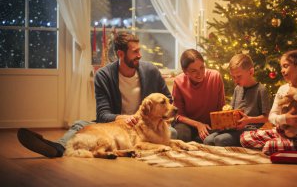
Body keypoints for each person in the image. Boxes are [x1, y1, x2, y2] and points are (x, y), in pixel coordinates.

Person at [17, 31, 177, 158]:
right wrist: (122, 118)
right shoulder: (103, 75)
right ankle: (56, 148)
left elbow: (167, 99)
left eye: (139, 50)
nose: (139, 55)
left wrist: (162, 117)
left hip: (144, 125)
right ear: (121, 54)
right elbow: (102, 114)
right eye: (135, 52)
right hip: (117, 125)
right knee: (80, 124)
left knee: (173, 133)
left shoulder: (150, 71)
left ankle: (133, 149)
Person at [240, 50, 297, 155]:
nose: (282, 70)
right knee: (244, 138)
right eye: (281, 67)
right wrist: (285, 119)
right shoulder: (283, 89)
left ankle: (279, 146)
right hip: (279, 132)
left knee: (269, 146)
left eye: (286, 66)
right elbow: (271, 116)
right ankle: (278, 144)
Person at [204, 53, 271, 146]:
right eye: (233, 77)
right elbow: (232, 111)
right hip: (234, 128)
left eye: (238, 76)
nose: (235, 81)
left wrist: (248, 120)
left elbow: (267, 118)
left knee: (220, 140)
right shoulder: (237, 89)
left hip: (249, 130)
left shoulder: (261, 90)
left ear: (251, 72)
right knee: (207, 140)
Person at [172, 49, 225, 142]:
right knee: (182, 135)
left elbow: (221, 108)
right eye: (194, 71)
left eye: (202, 67)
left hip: (210, 125)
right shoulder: (178, 82)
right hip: (188, 125)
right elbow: (178, 115)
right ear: (185, 72)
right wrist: (198, 124)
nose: (200, 73)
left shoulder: (215, 77)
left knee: (209, 139)